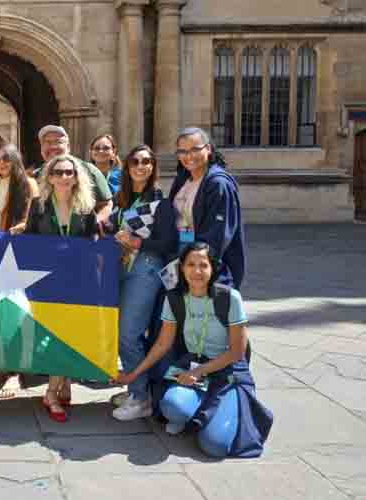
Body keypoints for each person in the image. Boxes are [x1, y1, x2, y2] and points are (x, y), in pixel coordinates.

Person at [114, 242, 272, 457]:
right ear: (182, 268)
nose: (197, 271)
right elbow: (162, 344)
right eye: (190, 265)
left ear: (212, 268)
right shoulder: (175, 299)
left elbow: (237, 352)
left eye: (203, 265)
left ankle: (218, 410)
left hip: (227, 373)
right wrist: (132, 374)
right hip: (193, 368)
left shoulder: (229, 298)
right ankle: (198, 413)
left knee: (214, 447)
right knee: (172, 407)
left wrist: (199, 371)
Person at [104, 145, 178, 421]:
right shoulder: (122, 199)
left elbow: (168, 243)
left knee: (129, 333)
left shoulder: (162, 202)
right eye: (134, 161)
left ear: (153, 166)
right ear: (127, 167)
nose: (140, 166)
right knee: (124, 332)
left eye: (147, 161)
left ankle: (140, 398)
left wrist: (138, 242)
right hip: (121, 269)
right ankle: (137, 387)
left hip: (146, 270)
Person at [24, 154, 99, 422]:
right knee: (57, 336)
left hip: (77, 281)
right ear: (50, 177)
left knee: (70, 334)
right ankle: (52, 392)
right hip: (47, 281)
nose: (64, 177)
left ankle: (59, 385)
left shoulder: (86, 208)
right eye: (58, 172)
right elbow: (29, 242)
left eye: (69, 172)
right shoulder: (39, 205)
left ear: (77, 176)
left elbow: (92, 243)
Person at [0, 143, 39, 399]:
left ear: (15, 158)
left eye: (6, 158)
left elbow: (33, 218)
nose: (2, 163)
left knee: (16, 313)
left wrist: (21, 227)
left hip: (18, 256)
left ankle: (15, 372)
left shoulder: (29, 184)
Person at [170, 127, 245, 289]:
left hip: (203, 263)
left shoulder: (218, 184)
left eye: (195, 149)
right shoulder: (183, 178)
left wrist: (194, 267)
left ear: (208, 149)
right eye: (182, 151)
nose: (188, 156)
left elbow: (218, 235)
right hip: (178, 255)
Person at [36, 125, 113, 220]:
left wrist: (97, 222)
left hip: (81, 232)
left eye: (58, 142)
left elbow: (106, 204)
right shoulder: (35, 175)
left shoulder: (89, 170)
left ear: (68, 147)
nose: (53, 146)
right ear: (41, 148)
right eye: (47, 142)